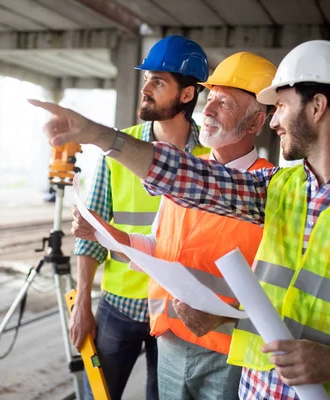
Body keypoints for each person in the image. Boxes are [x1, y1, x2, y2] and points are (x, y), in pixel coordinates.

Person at [30, 39, 330, 400]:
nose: (273, 120)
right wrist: (100, 136)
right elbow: (190, 176)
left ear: (317, 106)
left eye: (281, 106)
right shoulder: (281, 189)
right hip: (257, 387)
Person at [71, 52, 277, 400]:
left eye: (223, 103)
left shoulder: (271, 188)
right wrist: (111, 236)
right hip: (169, 340)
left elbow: (278, 289)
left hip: (228, 352)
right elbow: (159, 244)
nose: (207, 111)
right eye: (209, 99)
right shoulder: (188, 170)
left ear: (256, 122)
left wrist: (226, 319)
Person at [69, 35, 210, 400]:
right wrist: (83, 301)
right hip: (119, 307)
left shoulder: (210, 163)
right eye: (147, 78)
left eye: (158, 81)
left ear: (186, 94)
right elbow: (90, 232)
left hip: (175, 316)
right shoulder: (118, 149)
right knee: (97, 397)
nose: (145, 88)